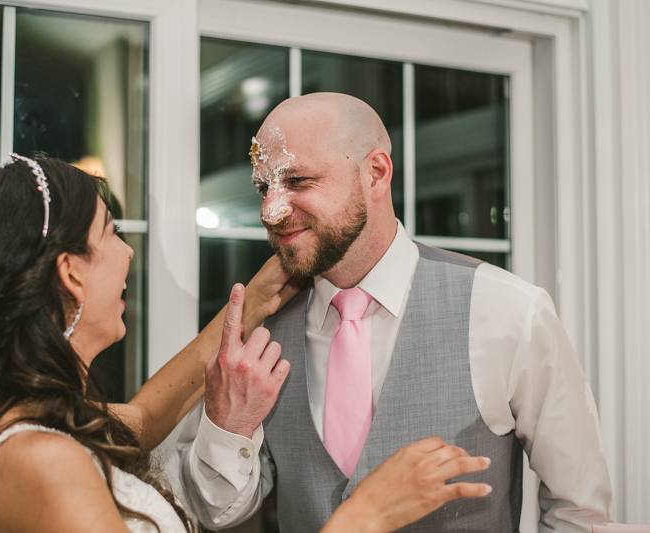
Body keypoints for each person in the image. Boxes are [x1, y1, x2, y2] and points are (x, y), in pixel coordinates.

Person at [0, 155, 492, 533]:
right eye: (111, 233)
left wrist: (255, 302)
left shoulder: (43, 421)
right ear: (72, 273)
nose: (128, 253)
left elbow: (146, 417)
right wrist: (367, 513)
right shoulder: (42, 461)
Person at [178, 93, 615, 532]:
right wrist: (228, 424)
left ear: (376, 173)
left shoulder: (508, 310)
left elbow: (580, 512)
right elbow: (218, 511)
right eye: (264, 187)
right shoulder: (262, 333)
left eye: (298, 181)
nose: (269, 211)